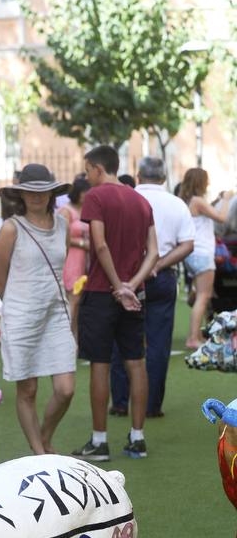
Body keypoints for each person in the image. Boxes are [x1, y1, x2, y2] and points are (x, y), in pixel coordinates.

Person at [72, 145, 158, 461]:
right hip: (135, 294)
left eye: (87, 170)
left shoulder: (95, 197)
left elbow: (100, 244)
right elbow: (154, 252)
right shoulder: (141, 200)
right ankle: (138, 438)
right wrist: (131, 285)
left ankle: (99, 441)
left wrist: (118, 285)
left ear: (97, 168)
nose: (86, 176)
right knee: (136, 362)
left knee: (100, 363)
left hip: (101, 293)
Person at [0, 163, 76, 455]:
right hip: (21, 315)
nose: (37, 196)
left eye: (42, 191)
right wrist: (18, 306)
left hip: (55, 313)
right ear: (21, 194)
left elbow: (60, 267)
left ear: (52, 193)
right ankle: (40, 454)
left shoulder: (63, 225)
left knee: (66, 388)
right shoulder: (10, 228)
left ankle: (44, 436)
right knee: (27, 389)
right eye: (30, 191)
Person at [110, 156, 195, 418]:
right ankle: (151, 404)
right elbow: (187, 244)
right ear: (164, 177)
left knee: (122, 339)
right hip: (162, 277)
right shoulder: (177, 203)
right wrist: (157, 265)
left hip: (127, 275)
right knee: (158, 343)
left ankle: (122, 401)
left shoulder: (126, 199)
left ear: (138, 175)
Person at [180, 168, 234, 349]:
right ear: (200, 182)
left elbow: (207, 210)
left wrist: (218, 200)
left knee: (202, 295)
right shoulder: (197, 201)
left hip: (194, 254)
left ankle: (199, 334)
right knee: (204, 296)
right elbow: (222, 218)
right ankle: (193, 338)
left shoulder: (190, 201)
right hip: (202, 254)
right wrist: (226, 200)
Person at [57, 175, 91, 338]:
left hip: (83, 259)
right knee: (73, 299)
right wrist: (82, 244)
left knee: (78, 301)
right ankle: (66, 337)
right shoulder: (66, 211)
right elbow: (59, 237)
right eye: (85, 192)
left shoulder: (85, 210)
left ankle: (75, 339)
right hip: (71, 258)